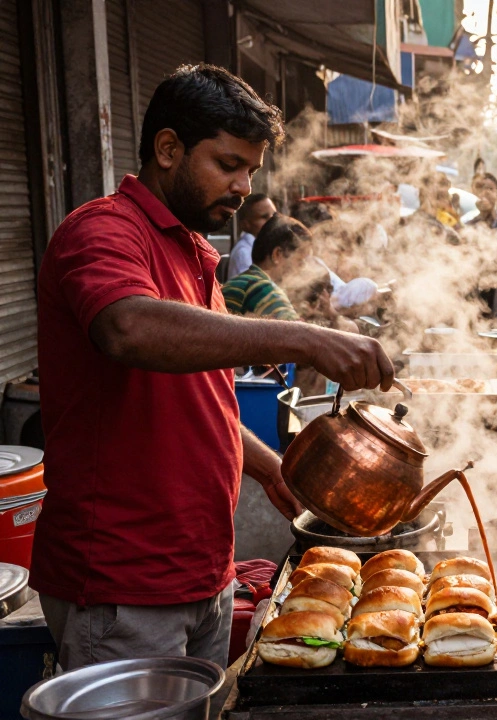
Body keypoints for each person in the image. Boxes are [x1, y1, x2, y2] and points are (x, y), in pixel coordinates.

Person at [33, 64, 396, 671]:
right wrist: (304, 339)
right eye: (228, 165)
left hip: (205, 567)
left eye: (251, 171)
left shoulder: (198, 252)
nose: (241, 187)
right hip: (124, 580)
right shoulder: (101, 231)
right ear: (168, 149)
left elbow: (199, 394)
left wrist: (267, 466)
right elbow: (128, 328)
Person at [223, 214, 313, 321]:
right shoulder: (265, 290)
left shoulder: (239, 282)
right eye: (300, 260)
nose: (303, 267)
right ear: (277, 254)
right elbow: (298, 334)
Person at [228, 192, 275, 277]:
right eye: (264, 217)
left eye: (274, 215)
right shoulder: (243, 252)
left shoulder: (266, 247)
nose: (273, 220)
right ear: (246, 224)